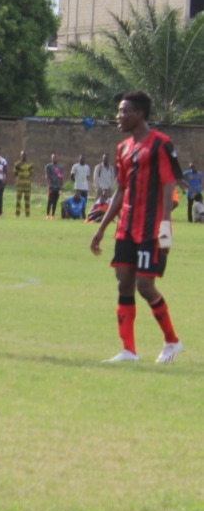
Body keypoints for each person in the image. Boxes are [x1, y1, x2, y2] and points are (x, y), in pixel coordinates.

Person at [90, 91, 183, 364]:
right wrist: (102, 228)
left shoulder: (160, 145)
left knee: (145, 285)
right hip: (126, 229)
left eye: (123, 111)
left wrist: (165, 223)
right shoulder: (122, 148)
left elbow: (168, 185)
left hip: (150, 228)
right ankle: (128, 350)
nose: (118, 116)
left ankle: (172, 341)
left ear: (139, 114)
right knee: (124, 284)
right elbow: (121, 191)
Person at [12, 150, 34, 217]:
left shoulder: (30, 164)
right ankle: (17, 214)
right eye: (22, 155)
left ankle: (27, 214)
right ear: (20, 156)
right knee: (18, 200)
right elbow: (15, 173)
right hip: (19, 185)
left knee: (27, 201)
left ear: (26, 156)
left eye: (24, 155)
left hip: (27, 185)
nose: (23, 156)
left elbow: (31, 173)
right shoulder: (17, 164)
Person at [44, 153, 64, 219]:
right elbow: (47, 176)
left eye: (56, 157)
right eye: (53, 157)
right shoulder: (48, 166)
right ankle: (47, 215)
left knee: (55, 201)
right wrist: (49, 184)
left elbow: (61, 177)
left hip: (57, 186)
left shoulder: (60, 167)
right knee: (50, 200)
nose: (55, 159)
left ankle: (53, 215)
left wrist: (61, 186)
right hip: (51, 186)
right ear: (51, 158)